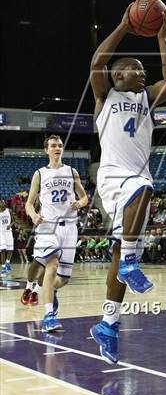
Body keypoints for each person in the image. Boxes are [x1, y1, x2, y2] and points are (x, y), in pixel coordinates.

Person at [89, 4, 166, 364]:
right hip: (113, 176)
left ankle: (108, 324)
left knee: (119, 253)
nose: (142, 73)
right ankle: (129, 261)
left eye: (143, 70)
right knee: (145, 187)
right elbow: (97, 61)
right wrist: (124, 26)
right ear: (118, 75)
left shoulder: (146, 98)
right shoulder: (103, 97)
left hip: (132, 181)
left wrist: (161, 38)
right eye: (134, 69)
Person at [24, 135, 88, 332]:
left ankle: (46, 290)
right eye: (53, 145)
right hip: (47, 225)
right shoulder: (40, 174)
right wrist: (34, 215)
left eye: (60, 145)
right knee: (52, 262)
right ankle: (49, 315)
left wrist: (80, 203)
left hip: (70, 227)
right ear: (46, 150)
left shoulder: (72, 171)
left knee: (63, 280)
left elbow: (85, 197)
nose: (57, 148)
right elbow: (28, 204)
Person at [0, 200, 13, 275]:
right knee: (3, 249)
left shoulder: (9, 210)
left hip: (8, 231)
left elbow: (13, 221)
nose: (3, 204)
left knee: (10, 249)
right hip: (1, 232)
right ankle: (3, 266)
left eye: (4, 202)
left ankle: (7, 263)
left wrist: (10, 225)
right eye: (2, 203)